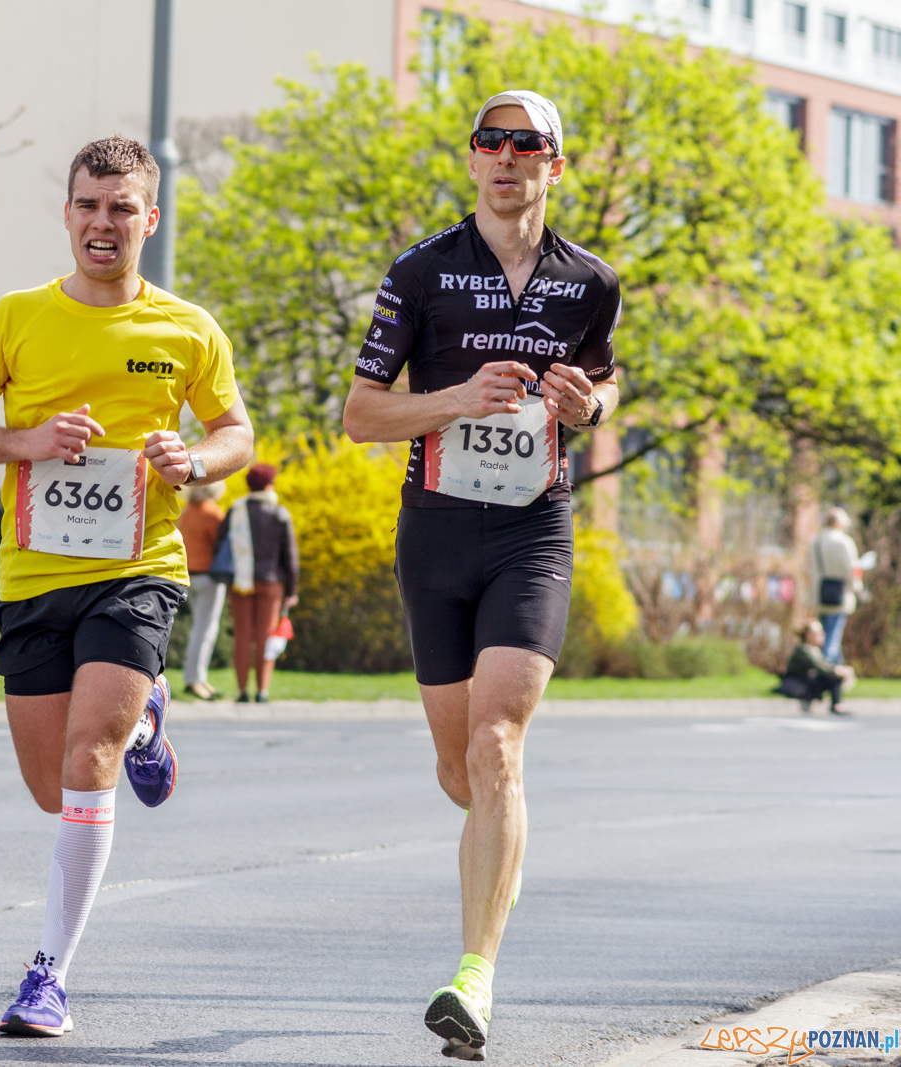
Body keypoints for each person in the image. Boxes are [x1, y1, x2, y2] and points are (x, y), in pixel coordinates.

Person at [0, 136, 254, 1038]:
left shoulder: (187, 328)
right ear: (67, 213)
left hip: (136, 570)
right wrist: (23, 442)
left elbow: (237, 433)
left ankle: (48, 976)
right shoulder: (17, 318)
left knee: (87, 764)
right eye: (87, 205)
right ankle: (147, 715)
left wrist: (194, 458)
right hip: (33, 575)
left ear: (150, 218)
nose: (102, 222)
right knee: (49, 787)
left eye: (121, 208)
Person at [341, 89, 622, 1061]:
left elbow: (604, 377)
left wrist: (592, 403)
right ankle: (496, 853)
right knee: (462, 766)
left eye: (526, 144)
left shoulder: (590, 280)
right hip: (436, 532)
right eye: (489, 142)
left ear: (554, 162)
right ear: (472, 160)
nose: (505, 157)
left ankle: (475, 973)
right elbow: (360, 414)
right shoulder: (420, 274)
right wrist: (456, 397)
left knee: (499, 743)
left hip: (531, 532)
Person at [217, 464, 299, 703]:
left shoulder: (236, 510)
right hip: (272, 583)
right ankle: (262, 692)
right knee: (266, 635)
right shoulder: (280, 513)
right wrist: (292, 590)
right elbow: (290, 556)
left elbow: (221, 543)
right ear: (269, 485)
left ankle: (242, 692)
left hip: (241, 582)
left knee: (242, 635)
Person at [176, 479, 227, 700]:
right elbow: (223, 545)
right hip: (209, 576)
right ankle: (195, 679)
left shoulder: (187, 512)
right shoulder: (213, 513)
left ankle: (198, 677)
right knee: (205, 629)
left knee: (198, 627)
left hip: (188, 575)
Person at [809, 508, 862, 664]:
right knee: (831, 639)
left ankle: (838, 678)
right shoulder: (843, 542)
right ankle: (825, 675)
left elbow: (812, 568)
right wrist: (857, 588)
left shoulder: (816, 542)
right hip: (839, 595)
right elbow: (852, 570)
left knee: (826, 636)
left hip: (820, 593)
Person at [782, 619, 856, 714]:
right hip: (799, 684)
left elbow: (824, 665)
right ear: (808, 634)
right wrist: (839, 671)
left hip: (808, 683)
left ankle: (837, 704)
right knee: (834, 676)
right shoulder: (803, 650)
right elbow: (820, 667)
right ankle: (836, 706)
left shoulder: (814, 649)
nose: (822, 635)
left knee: (834, 677)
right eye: (818, 633)